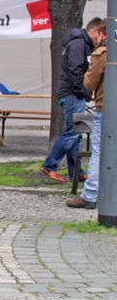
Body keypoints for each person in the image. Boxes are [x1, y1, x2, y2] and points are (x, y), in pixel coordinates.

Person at [40, 17, 101, 182]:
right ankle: (50, 165)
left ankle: (77, 172)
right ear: (94, 30)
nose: (100, 39)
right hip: (74, 95)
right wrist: (84, 91)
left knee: (77, 134)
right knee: (73, 133)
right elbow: (76, 71)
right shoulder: (78, 44)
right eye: (100, 34)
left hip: (75, 94)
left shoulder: (81, 44)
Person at [68, 21, 106, 209]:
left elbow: (89, 83)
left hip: (105, 108)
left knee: (98, 152)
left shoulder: (102, 53)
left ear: (101, 34)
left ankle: (90, 194)